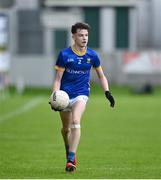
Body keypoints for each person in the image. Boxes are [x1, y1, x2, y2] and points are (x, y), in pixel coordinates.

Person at [49, 22, 115, 172]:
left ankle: (71, 159)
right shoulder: (64, 55)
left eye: (86, 35)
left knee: (76, 121)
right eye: (80, 35)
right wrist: (55, 96)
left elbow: (101, 76)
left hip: (81, 94)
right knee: (66, 129)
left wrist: (107, 92)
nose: (84, 38)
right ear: (73, 36)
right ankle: (68, 148)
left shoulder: (92, 55)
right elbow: (58, 79)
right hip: (64, 96)